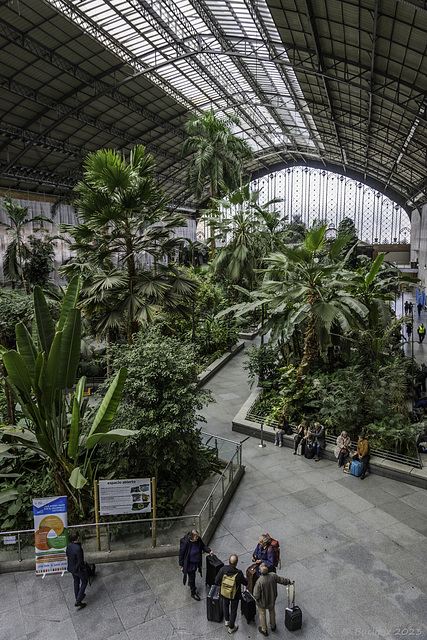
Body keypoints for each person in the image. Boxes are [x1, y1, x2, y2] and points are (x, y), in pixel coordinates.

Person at [253, 563, 293, 637]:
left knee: (262, 614)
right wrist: (288, 581)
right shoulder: (273, 576)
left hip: (262, 603)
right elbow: (281, 580)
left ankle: (264, 629)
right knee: (272, 612)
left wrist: (257, 600)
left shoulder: (259, 582)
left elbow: (256, 595)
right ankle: (273, 626)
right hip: (272, 599)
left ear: (260, 571)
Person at [215, 554, 247, 634]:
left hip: (225, 593)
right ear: (236, 563)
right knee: (233, 609)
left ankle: (227, 620)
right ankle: (231, 627)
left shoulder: (223, 569)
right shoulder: (238, 573)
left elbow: (216, 581)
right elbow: (245, 583)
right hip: (234, 595)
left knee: (225, 605)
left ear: (229, 562)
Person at [179, 528, 213, 601]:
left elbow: (203, 546)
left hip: (196, 562)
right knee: (192, 577)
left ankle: (190, 584)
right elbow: (181, 554)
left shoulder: (198, 540)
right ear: (191, 537)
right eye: (196, 537)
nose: (197, 538)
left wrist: (209, 551)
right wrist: (181, 564)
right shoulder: (185, 543)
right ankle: (193, 592)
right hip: (189, 564)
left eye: (197, 537)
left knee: (192, 576)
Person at [66, 531, 88, 609]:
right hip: (78, 569)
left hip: (71, 568)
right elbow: (80, 561)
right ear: (78, 537)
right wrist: (84, 568)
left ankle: (78, 595)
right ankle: (78, 600)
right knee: (84, 581)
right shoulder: (78, 548)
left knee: (76, 581)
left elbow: (67, 554)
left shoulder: (69, 546)